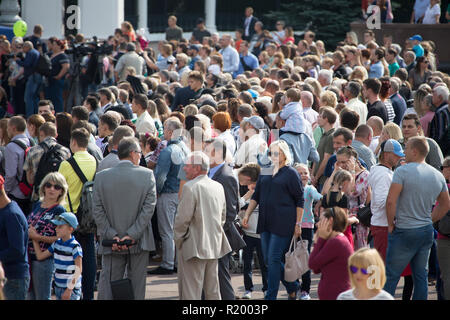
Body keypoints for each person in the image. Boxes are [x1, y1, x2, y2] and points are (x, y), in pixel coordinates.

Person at [384, 136, 449, 300]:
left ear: (414, 151)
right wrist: (430, 219)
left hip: (404, 229)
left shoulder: (402, 171)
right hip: (425, 230)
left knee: (391, 275)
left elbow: (390, 201)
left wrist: (390, 224)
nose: (404, 151)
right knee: (421, 275)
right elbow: (445, 204)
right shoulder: (437, 174)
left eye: (406, 148)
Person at [93, 137, 157, 300]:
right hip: (139, 240)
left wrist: (112, 234)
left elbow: (97, 210)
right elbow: (148, 209)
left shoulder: (101, 177)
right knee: (137, 287)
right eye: (139, 153)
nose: (140, 157)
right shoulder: (147, 175)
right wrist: (132, 234)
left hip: (111, 242)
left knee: (108, 285)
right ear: (132, 153)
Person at [242, 140, 304, 300]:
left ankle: (271, 296)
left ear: (284, 154)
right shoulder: (266, 171)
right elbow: (256, 196)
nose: (274, 155)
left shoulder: (291, 173)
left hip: (283, 222)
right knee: (269, 260)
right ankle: (293, 286)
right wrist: (247, 214)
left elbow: (299, 200)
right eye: (271, 152)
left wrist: (298, 223)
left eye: (277, 152)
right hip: (265, 222)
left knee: (274, 257)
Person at [174, 151, 231, 300]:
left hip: (193, 246)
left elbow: (182, 221)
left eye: (187, 166)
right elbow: (222, 217)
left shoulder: (190, 187)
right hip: (214, 245)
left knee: (190, 293)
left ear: (197, 168)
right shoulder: (218, 186)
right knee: (213, 291)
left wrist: (179, 241)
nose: (184, 169)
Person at [58, 128, 97, 300]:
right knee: (88, 257)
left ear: (73, 142)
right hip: (89, 218)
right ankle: (88, 293)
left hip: (69, 218)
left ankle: (72, 293)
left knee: (68, 259)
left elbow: (59, 189)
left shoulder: (66, 164)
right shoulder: (95, 161)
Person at [204, 139, 245, 300]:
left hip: (219, 236)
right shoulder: (213, 173)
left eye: (208, 151)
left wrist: (213, 232)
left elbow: (230, 212)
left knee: (221, 277)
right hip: (211, 235)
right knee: (211, 278)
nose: (205, 154)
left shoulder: (226, 176)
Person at [149, 117, 189, 275]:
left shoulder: (168, 150)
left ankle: (167, 263)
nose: (163, 132)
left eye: (165, 129)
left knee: (166, 230)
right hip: (182, 192)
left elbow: (160, 176)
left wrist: (156, 192)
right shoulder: (185, 147)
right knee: (178, 230)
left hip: (168, 193)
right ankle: (177, 263)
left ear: (171, 131)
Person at [26, 172, 68, 300]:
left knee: (42, 297)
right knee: (29, 296)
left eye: (57, 187)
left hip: (45, 259)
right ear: (43, 187)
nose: (52, 189)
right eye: (49, 185)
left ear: (61, 191)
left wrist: (37, 238)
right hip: (29, 257)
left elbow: (61, 238)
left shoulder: (60, 211)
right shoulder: (37, 205)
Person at [32, 212, 83, 300]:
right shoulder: (56, 244)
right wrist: (34, 238)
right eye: (56, 226)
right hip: (58, 288)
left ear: (70, 229)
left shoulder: (75, 246)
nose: (56, 229)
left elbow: (78, 269)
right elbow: (40, 256)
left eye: (60, 226)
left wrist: (69, 290)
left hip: (71, 290)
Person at [237, 163, 268, 299]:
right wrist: (250, 192)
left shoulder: (266, 193)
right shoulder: (248, 194)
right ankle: (248, 289)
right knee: (247, 263)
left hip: (261, 234)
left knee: (264, 264)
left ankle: (266, 288)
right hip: (248, 234)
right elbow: (239, 205)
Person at [309, 207, 354, 300]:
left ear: (330, 221)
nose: (317, 224)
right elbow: (316, 269)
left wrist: (320, 239)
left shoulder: (336, 242)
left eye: (321, 220)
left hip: (335, 294)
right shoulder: (336, 240)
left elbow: (312, 264)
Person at [294, 163, 322, 300]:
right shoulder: (291, 189)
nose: (303, 175)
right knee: (292, 258)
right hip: (292, 228)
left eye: (305, 173)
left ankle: (305, 290)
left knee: (305, 259)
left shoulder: (310, 189)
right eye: (300, 173)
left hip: (307, 227)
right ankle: (294, 286)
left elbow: (318, 197)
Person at [23, 122, 71, 203]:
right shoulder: (65, 151)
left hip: (38, 196)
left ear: (41, 134)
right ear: (56, 135)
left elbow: (30, 180)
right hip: (58, 197)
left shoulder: (32, 151)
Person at [0, 174, 30, 300]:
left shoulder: (12, 215)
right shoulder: (5, 211)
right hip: (8, 277)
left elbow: (17, 250)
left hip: (14, 280)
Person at [4, 116, 32, 215]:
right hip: (30, 192)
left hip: (16, 193)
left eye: (8, 127)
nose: (7, 130)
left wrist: (5, 191)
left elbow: (11, 174)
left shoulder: (11, 147)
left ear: (13, 128)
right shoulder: (31, 142)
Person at [437, 157, 450, 300]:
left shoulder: (445, 189)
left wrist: (431, 220)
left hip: (445, 237)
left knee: (446, 275)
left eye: (443, 167)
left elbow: (438, 210)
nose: (442, 170)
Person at [45, 38, 70, 113]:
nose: (53, 46)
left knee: (57, 99)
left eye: (55, 45)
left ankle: (58, 114)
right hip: (49, 80)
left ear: (59, 46)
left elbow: (66, 66)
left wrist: (59, 76)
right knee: (49, 99)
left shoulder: (62, 56)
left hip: (57, 81)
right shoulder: (50, 54)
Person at [16, 41, 40, 118]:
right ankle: (36, 115)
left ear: (27, 47)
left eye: (23, 47)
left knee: (28, 98)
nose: (22, 49)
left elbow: (27, 64)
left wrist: (17, 61)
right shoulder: (36, 52)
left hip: (32, 77)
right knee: (34, 97)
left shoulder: (30, 53)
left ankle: (30, 116)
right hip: (37, 76)